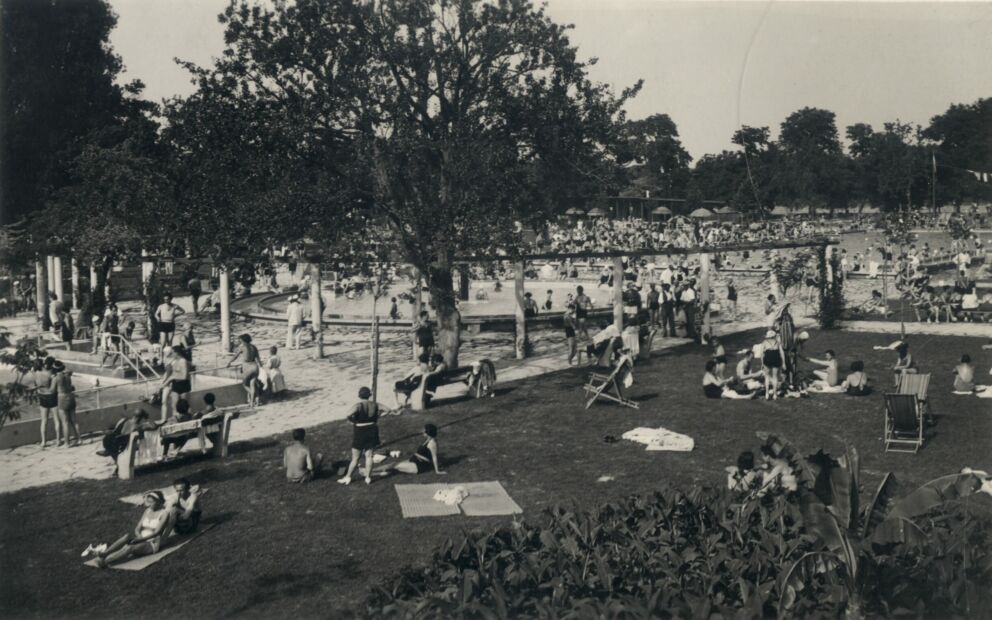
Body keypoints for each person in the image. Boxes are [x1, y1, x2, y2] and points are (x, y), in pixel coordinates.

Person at [87, 491, 173, 568]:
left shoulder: (164, 513)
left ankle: (105, 562)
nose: (148, 504)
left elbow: (156, 532)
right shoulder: (147, 511)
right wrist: (138, 536)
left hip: (152, 542)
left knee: (130, 547)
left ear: (159, 502)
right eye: (148, 502)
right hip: (141, 537)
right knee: (127, 536)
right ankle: (104, 554)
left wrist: (140, 540)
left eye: (151, 502)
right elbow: (138, 528)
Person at [338, 387, 388, 485]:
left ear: (359, 395)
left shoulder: (358, 405)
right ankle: (368, 478)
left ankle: (348, 477)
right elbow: (388, 410)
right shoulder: (375, 404)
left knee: (355, 458)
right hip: (372, 429)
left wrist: (353, 421)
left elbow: (348, 414)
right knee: (369, 456)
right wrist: (378, 416)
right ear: (369, 395)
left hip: (360, 431)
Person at [98, 410, 160, 476]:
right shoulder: (138, 426)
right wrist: (148, 419)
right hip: (119, 445)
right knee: (122, 446)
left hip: (108, 441)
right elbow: (154, 427)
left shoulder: (123, 420)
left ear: (134, 416)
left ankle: (116, 464)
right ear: (140, 418)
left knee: (116, 445)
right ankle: (118, 465)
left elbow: (116, 430)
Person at [381, 424, 446, 475]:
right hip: (415, 460)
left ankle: (374, 472)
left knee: (394, 465)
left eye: (424, 431)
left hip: (419, 466)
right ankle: (376, 472)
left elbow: (434, 457)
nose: (422, 432)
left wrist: (437, 471)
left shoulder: (432, 443)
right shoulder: (428, 440)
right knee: (394, 465)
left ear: (428, 432)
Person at [51, 361, 80, 446]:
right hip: (70, 396)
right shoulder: (68, 375)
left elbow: (52, 390)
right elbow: (70, 371)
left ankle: (67, 443)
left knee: (65, 422)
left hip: (62, 398)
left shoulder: (56, 378)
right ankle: (79, 439)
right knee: (74, 421)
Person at [227, 334, 261, 407]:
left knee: (245, 384)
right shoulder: (254, 347)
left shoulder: (242, 347)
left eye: (240, 340)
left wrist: (229, 362)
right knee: (253, 385)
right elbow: (258, 359)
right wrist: (261, 366)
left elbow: (235, 356)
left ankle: (254, 397)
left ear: (243, 340)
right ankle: (254, 402)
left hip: (247, 366)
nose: (240, 341)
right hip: (255, 366)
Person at [158, 346, 191, 423]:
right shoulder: (175, 361)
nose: (171, 354)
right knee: (174, 406)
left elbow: (184, 376)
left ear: (177, 353)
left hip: (184, 385)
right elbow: (171, 374)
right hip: (176, 385)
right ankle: (175, 423)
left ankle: (187, 422)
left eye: (172, 352)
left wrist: (172, 378)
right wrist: (164, 383)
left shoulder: (183, 361)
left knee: (184, 407)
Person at [34, 357, 60, 448]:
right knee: (56, 419)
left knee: (44, 420)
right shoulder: (51, 373)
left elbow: (36, 386)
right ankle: (58, 441)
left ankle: (43, 442)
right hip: (52, 396)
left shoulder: (36, 373)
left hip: (42, 396)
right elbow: (53, 388)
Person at [154, 293, 185, 360]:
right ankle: (161, 357)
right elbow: (156, 314)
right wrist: (158, 318)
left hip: (171, 324)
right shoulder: (161, 306)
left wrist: (175, 315)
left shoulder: (175, 306)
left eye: (167, 299)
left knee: (170, 342)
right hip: (163, 324)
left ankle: (168, 357)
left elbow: (183, 311)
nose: (166, 301)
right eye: (165, 299)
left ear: (171, 299)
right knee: (163, 342)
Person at [758, 330, 784, 400]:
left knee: (767, 377)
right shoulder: (778, 342)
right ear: (774, 336)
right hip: (776, 358)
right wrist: (783, 363)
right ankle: (775, 394)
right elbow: (782, 353)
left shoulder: (764, 342)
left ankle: (767, 393)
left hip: (767, 359)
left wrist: (762, 363)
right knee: (775, 377)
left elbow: (761, 354)